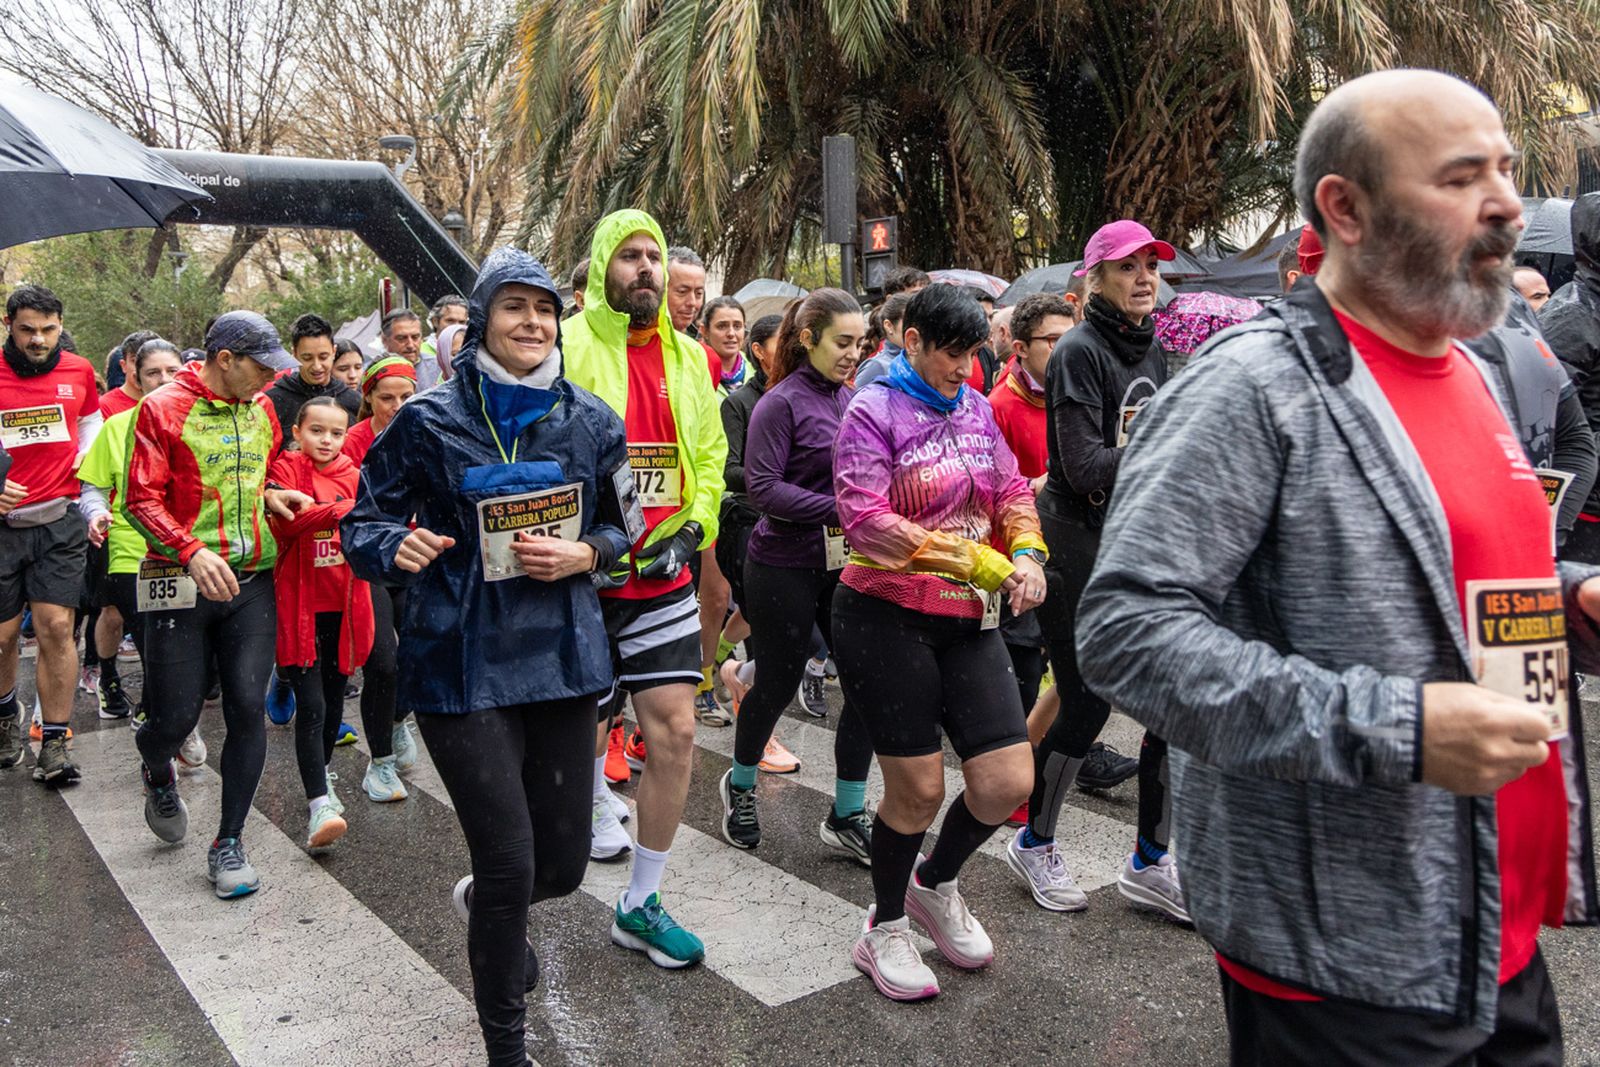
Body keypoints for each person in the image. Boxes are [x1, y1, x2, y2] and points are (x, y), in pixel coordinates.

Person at [1078, 69, 1600, 1064]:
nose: (1504, 202)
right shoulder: (1247, 388)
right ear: (1345, 209)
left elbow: (1465, 580)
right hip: (1344, 972)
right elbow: (1126, 634)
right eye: (1461, 177)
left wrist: (1574, 599)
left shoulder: (1481, 367)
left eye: (1505, 170)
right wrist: (1399, 728)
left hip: (1502, 932)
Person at [343, 248, 633, 1067]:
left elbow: (628, 528)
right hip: (460, 660)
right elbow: (361, 523)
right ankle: (507, 1045)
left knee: (562, 867)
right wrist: (394, 545)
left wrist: (586, 553)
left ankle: (490, 906)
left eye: (544, 309)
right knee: (508, 861)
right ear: (481, 320)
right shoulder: (425, 419)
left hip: (562, 656)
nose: (532, 323)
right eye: (514, 307)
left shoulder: (592, 419)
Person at [832, 283, 1045, 1002]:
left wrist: (1028, 552)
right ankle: (884, 925)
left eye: (972, 353)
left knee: (1008, 780)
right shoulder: (872, 409)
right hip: (883, 616)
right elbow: (865, 520)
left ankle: (935, 882)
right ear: (912, 340)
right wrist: (976, 560)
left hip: (968, 620)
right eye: (950, 353)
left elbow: (1011, 489)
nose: (963, 367)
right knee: (918, 789)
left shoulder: (977, 408)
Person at [563, 208, 726, 968]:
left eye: (653, 256)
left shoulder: (691, 357)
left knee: (676, 732)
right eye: (629, 256)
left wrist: (693, 531)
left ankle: (641, 902)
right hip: (581, 580)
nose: (646, 270)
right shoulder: (565, 345)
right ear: (604, 267)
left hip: (663, 577)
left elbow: (711, 456)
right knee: (571, 741)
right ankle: (514, 889)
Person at [1019, 218, 1187, 921]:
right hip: (1074, 536)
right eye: (1127, 267)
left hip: (1134, 536)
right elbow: (1085, 465)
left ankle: (1151, 860)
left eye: (1151, 265)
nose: (1144, 277)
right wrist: (1170, 437)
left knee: (1173, 702)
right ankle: (1034, 841)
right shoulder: (1079, 350)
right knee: (1086, 702)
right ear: (1096, 279)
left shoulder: (1156, 346)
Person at [122, 311, 307, 899]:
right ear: (225, 359)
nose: (272, 378)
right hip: (178, 582)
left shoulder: (263, 408)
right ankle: (157, 768)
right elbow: (139, 499)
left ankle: (229, 841)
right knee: (174, 720)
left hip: (251, 581)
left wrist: (273, 493)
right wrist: (190, 550)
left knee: (248, 707)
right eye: (262, 366)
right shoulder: (161, 409)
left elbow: (263, 472)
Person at [719, 288, 876, 860]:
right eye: (842, 342)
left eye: (860, 343)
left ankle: (848, 812)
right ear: (807, 339)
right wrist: (842, 509)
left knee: (865, 684)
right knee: (777, 684)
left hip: (845, 565)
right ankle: (740, 785)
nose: (853, 354)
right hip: (781, 564)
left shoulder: (853, 398)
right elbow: (763, 489)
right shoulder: (777, 403)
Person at [0, 284, 101, 783]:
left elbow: (90, 422)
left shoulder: (78, 370)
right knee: (1, 638)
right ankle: (5, 716)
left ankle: (55, 743)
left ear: (60, 326)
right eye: (27, 330)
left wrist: (87, 461)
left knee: (57, 628)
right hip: (3, 525)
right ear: (8, 326)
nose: (38, 339)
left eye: (48, 329)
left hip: (60, 518)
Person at [268, 397, 374, 851]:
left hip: (345, 607)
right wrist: (339, 510)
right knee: (311, 707)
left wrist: (340, 509)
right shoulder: (285, 470)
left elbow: (369, 523)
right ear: (297, 432)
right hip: (300, 607)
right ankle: (318, 804)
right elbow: (287, 525)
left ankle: (322, 776)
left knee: (333, 705)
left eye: (336, 433)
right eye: (317, 431)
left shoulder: (356, 475)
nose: (326, 440)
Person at [78, 340, 191, 735]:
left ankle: (162, 710)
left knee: (178, 638)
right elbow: (92, 487)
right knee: (145, 631)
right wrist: (96, 513)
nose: (164, 380)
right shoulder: (117, 426)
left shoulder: (201, 423)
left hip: (190, 547)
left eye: (172, 371)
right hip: (131, 547)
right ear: (137, 379)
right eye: (153, 373)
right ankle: (125, 689)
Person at [341, 356, 419, 799]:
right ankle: (381, 764)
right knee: (383, 663)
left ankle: (396, 717)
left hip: (413, 559)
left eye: (406, 396)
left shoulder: (424, 430)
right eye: (387, 398)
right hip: (368, 563)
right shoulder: (352, 441)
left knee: (420, 655)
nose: (397, 406)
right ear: (368, 398)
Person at [265, 313, 361, 436]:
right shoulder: (273, 401)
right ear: (294, 354)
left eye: (323, 357)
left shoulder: (354, 402)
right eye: (307, 358)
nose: (317, 366)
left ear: (333, 352)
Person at [853, 291, 913, 390]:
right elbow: (855, 399)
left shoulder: (919, 364)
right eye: (909, 323)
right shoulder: (877, 366)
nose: (915, 330)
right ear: (889, 326)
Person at [99, 330, 161, 418]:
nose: (141, 368)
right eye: (135, 361)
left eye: (150, 361)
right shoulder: (104, 407)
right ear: (123, 365)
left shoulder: (171, 402)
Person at [418, 293, 469, 383]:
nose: (456, 326)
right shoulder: (420, 353)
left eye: (462, 322)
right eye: (450, 321)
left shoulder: (471, 351)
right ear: (435, 321)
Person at [665, 246, 708, 339]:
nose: (692, 303)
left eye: (698, 293)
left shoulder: (700, 346)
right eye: (682, 292)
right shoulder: (638, 341)